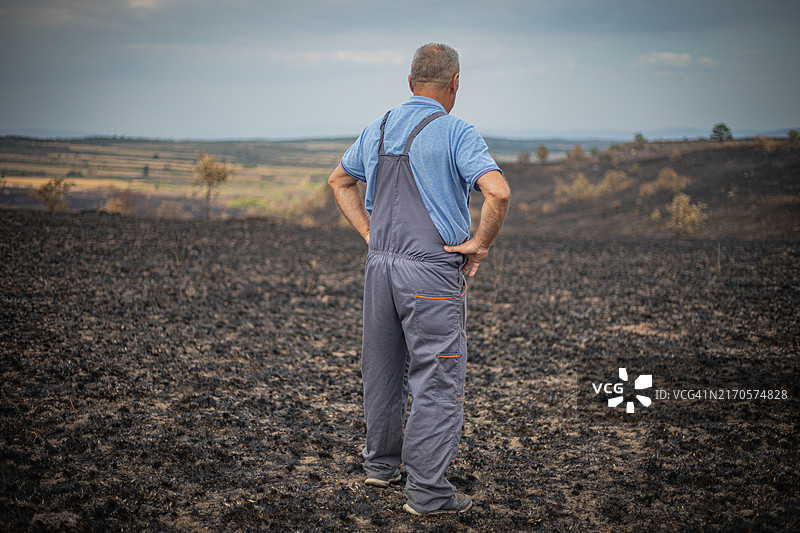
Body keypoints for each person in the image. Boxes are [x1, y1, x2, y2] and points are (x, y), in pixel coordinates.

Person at [328, 43, 510, 516]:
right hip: (429, 271)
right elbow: (498, 192)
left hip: (380, 269)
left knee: (382, 368)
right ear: (454, 84)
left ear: (410, 84)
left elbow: (339, 181)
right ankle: (428, 493)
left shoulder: (379, 126)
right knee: (437, 378)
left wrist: (370, 234)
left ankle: (380, 466)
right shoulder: (456, 131)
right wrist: (480, 244)